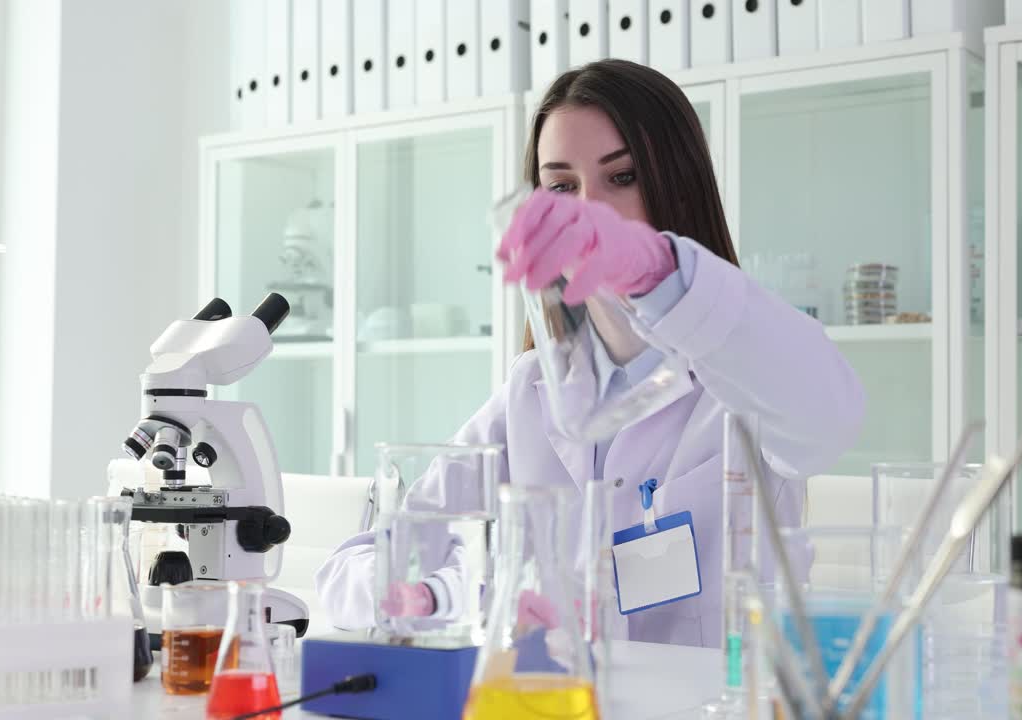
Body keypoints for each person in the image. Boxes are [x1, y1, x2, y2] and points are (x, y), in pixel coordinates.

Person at [316, 59, 864, 648]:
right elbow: (357, 566)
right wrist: (432, 591)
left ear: (677, 183)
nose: (587, 213)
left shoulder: (741, 369)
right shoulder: (531, 392)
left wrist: (656, 270)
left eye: (622, 177)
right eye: (561, 187)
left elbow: (829, 416)